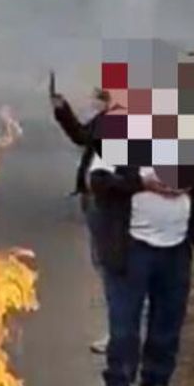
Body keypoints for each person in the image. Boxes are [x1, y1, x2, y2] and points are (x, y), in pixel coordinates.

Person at [89, 160, 194, 386]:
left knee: (168, 321)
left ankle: (157, 383)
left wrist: (187, 183)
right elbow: (98, 182)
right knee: (124, 322)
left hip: (176, 247)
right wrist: (142, 183)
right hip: (131, 247)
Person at [51, 84, 123, 354]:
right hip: (94, 201)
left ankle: (120, 332)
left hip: (111, 203)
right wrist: (63, 111)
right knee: (103, 265)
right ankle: (118, 330)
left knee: (112, 268)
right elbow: (82, 137)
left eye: (103, 95)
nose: (97, 100)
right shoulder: (107, 119)